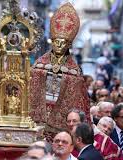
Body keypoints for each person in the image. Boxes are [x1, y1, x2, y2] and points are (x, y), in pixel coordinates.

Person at [29, 2, 91, 141]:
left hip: (61, 122)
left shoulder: (74, 69)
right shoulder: (40, 63)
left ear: (68, 45)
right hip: (39, 116)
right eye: (56, 42)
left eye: (63, 42)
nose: (59, 45)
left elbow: (79, 95)